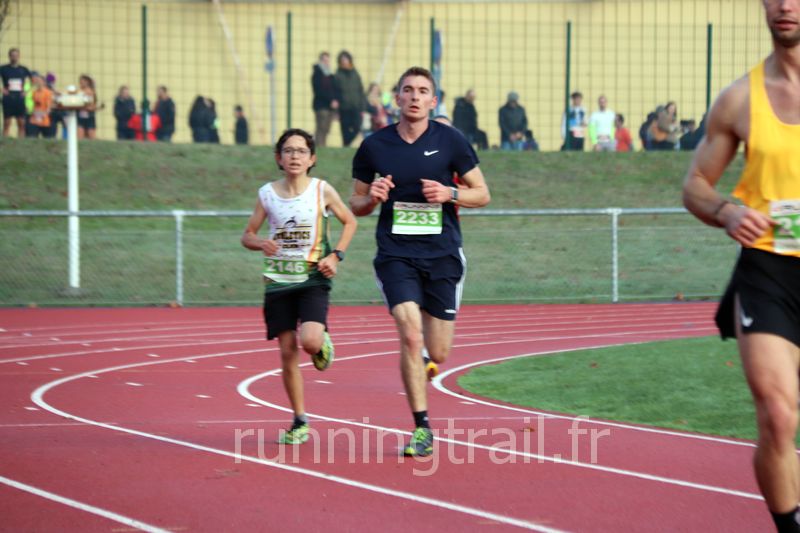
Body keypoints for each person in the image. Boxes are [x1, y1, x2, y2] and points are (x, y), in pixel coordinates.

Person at [682, 1, 800, 530]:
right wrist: (727, 211)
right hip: (769, 270)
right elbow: (695, 185)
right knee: (777, 414)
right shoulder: (739, 98)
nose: (785, 6)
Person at [349, 66, 491, 457]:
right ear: (397, 98)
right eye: (408, 90)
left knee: (438, 351)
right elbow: (355, 203)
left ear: (433, 100)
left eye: (422, 91)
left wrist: (450, 193)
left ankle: (428, 357)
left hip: (442, 254)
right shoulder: (375, 146)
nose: (414, 96)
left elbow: (482, 193)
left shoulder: (452, 141)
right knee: (411, 335)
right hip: (396, 254)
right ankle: (422, 427)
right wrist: (372, 197)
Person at [241, 128, 357, 445]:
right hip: (278, 281)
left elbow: (350, 221)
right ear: (279, 158)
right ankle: (299, 420)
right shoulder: (267, 194)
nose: (295, 156)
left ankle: (321, 342)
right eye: (289, 151)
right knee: (287, 351)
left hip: (312, 278)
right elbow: (247, 235)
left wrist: (336, 255)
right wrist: (260, 243)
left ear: (312, 158)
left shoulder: (321, 190)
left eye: (301, 151)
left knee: (309, 341)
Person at [334, 50, 366, 147]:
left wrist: (362, 107)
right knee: (345, 128)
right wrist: (336, 110)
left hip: (355, 106)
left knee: (357, 127)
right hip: (343, 107)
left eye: (346, 59)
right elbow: (335, 92)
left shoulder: (355, 74)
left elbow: (361, 91)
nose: (344, 62)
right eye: (342, 60)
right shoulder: (338, 75)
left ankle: (347, 143)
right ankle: (345, 145)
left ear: (349, 60)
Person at [0, 48, 31, 138]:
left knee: (21, 122)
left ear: (19, 56)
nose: (14, 57)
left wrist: (26, 91)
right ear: (9, 56)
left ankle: (20, 142)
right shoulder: (3, 68)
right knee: (7, 122)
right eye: (12, 55)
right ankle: (5, 142)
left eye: (16, 55)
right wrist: (1, 89)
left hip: (19, 98)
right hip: (8, 97)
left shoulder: (23, 69)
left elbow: (33, 81)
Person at [311, 51, 338, 147]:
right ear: (320, 61)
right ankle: (319, 146)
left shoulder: (330, 75)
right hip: (321, 105)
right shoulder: (317, 74)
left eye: (328, 60)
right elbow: (319, 91)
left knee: (326, 129)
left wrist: (335, 100)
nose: (327, 63)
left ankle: (322, 146)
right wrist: (331, 100)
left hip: (330, 106)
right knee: (321, 128)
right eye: (325, 60)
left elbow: (334, 89)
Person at [25, 73, 54, 139]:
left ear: (44, 82)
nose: (37, 82)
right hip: (34, 118)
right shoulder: (34, 92)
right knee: (32, 137)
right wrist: (31, 111)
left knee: (47, 139)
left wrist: (45, 113)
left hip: (44, 118)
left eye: (39, 81)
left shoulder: (48, 92)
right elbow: (31, 102)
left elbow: (49, 106)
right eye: (36, 81)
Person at [77, 74, 99, 140]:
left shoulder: (90, 91)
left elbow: (92, 105)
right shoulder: (79, 91)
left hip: (89, 115)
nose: (81, 83)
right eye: (80, 82)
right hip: (81, 115)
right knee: (80, 136)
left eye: (82, 81)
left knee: (91, 136)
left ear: (87, 82)